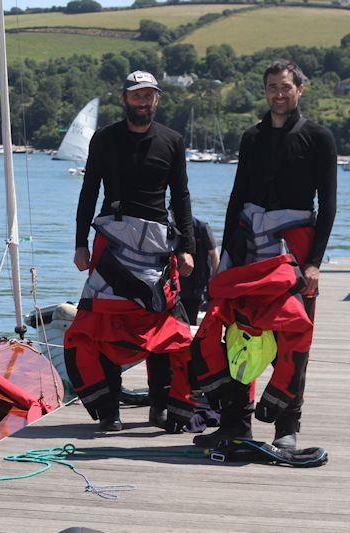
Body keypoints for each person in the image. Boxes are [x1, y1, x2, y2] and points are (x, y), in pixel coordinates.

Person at [191, 60, 337, 450]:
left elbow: (329, 206)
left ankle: (287, 424)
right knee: (240, 329)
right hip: (250, 246)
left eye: (286, 87)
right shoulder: (252, 137)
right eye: (272, 87)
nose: (279, 94)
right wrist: (225, 258)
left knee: (293, 335)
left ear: (300, 90)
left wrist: (314, 263)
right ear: (265, 90)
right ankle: (236, 421)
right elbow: (237, 198)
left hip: (295, 251)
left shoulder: (319, 137)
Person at [64, 71, 197, 433]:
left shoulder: (172, 141)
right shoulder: (105, 139)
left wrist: (187, 247)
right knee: (102, 325)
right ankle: (110, 411)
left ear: (158, 100)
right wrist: (80, 244)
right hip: (112, 240)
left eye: (148, 96)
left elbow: (181, 198)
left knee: (164, 328)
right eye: (136, 96)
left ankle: (160, 407)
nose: (142, 102)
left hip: (157, 246)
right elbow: (88, 192)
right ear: (124, 98)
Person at [175, 210, 219, 325]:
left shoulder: (202, 227)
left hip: (199, 282)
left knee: (192, 315)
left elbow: (214, 254)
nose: (174, 216)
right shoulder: (173, 228)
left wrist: (216, 278)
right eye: (172, 213)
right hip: (181, 283)